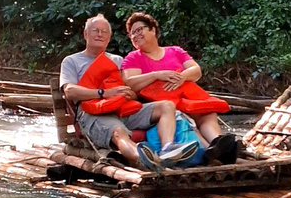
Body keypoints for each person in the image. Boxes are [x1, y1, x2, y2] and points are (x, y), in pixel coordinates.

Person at [59, 14, 198, 172]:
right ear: (85, 34)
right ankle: (145, 159)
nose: (99, 34)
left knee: (166, 106)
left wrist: (129, 94)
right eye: (95, 31)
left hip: (122, 109)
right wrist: (103, 93)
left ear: (109, 37)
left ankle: (168, 150)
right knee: (118, 132)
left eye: (104, 32)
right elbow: (69, 91)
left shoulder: (118, 60)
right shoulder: (71, 61)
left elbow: (131, 88)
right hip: (94, 114)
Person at [121, 12, 239, 163]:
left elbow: (196, 71)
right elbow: (130, 83)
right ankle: (209, 153)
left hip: (184, 99)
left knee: (207, 113)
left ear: (152, 30)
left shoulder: (175, 51)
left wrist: (182, 77)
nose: (135, 35)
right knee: (181, 118)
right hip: (159, 106)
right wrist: (157, 75)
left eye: (139, 30)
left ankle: (218, 144)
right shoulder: (133, 58)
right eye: (132, 34)